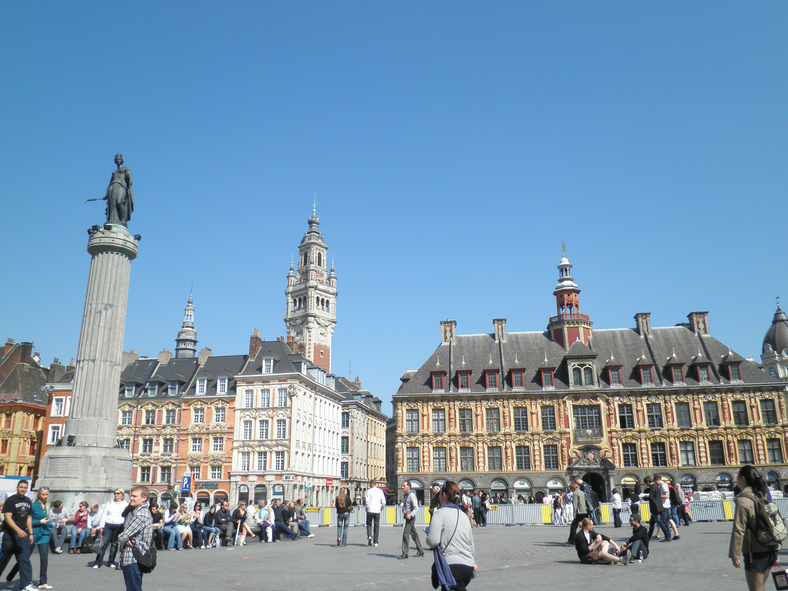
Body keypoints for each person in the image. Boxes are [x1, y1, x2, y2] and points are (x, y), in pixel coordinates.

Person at [729, 465, 778, 591]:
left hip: (755, 552)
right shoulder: (761, 496)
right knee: (761, 587)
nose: (736, 480)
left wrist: (735, 554)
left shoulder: (742, 500)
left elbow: (738, 529)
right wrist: (776, 547)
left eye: (737, 477)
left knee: (756, 589)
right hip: (770, 548)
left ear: (742, 479)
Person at [427, 481, 477, 591]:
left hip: (452, 566)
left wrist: (428, 536)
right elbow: (471, 543)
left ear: (443, 495)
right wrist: (473, 563)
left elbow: (433, 541)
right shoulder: (463, 515)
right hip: (468, 566)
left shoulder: (439, 514)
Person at [0, 479, 36, 591]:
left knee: (24, 560)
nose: (23, 489)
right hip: (9, 535)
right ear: (17, 487)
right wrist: (17, 530)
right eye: (21, 487)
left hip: (23, 536)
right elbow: (7, 517)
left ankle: (26, 584)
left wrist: (30, 533)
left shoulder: (28, 500)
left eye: (25, 488)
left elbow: (28, 518)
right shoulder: (11, 500)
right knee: (3, 560)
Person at [117, 485, 153, 591]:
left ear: (144, 498)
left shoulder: (141, 515)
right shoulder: (136, 512)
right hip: (133, 557)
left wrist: (123, 538)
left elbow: (122, 537)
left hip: (133, 558)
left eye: (134, 496)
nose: (131, 498)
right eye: (131, 496)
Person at [96, 488, 129, 568]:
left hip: (119, 525)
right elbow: (104, 514)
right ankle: (98, 562)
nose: (116, 495)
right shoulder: (109, 503)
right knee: (103, 544)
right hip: (108, 524)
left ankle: (111, 561)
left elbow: (127, 516)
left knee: (114, 545)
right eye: (115, 493)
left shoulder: (125, 504)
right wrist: (101, 526)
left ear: (122, 495)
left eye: (118, 493)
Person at [104, 154, 134, 225]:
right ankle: (113, 220)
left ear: (122, 160)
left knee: (119, 202)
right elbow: (110, 182)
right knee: (112, 204)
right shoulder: (114, 172)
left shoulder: (125, 169)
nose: (118, 160)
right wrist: (106, 194)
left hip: (121, 186)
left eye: (119, 159)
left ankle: (124, 220)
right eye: (117, 159)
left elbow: (129, 177)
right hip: (112, 187)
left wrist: (129, 184)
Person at [398, 480, 424, 559]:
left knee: (406, 534)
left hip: (410, 518)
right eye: (402, 486)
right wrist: (404, 510)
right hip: (407, 517)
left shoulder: (411, 495)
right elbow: (405, 506)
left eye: (404, 486)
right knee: (413, 534)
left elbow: (416, 508)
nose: (402, 487)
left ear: (408, 487)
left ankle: (405, 553)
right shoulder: (406, 495)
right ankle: (420, 551)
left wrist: (410, 514)